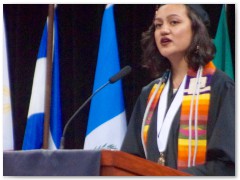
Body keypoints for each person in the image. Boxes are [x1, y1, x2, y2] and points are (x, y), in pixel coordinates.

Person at [121, 4, 235, 176]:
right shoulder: (149, 95)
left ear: (197, 30)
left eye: (174, 22)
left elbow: (228, 164)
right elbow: (129, 160)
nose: (163, 30)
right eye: (158, 25)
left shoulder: (220, 87)